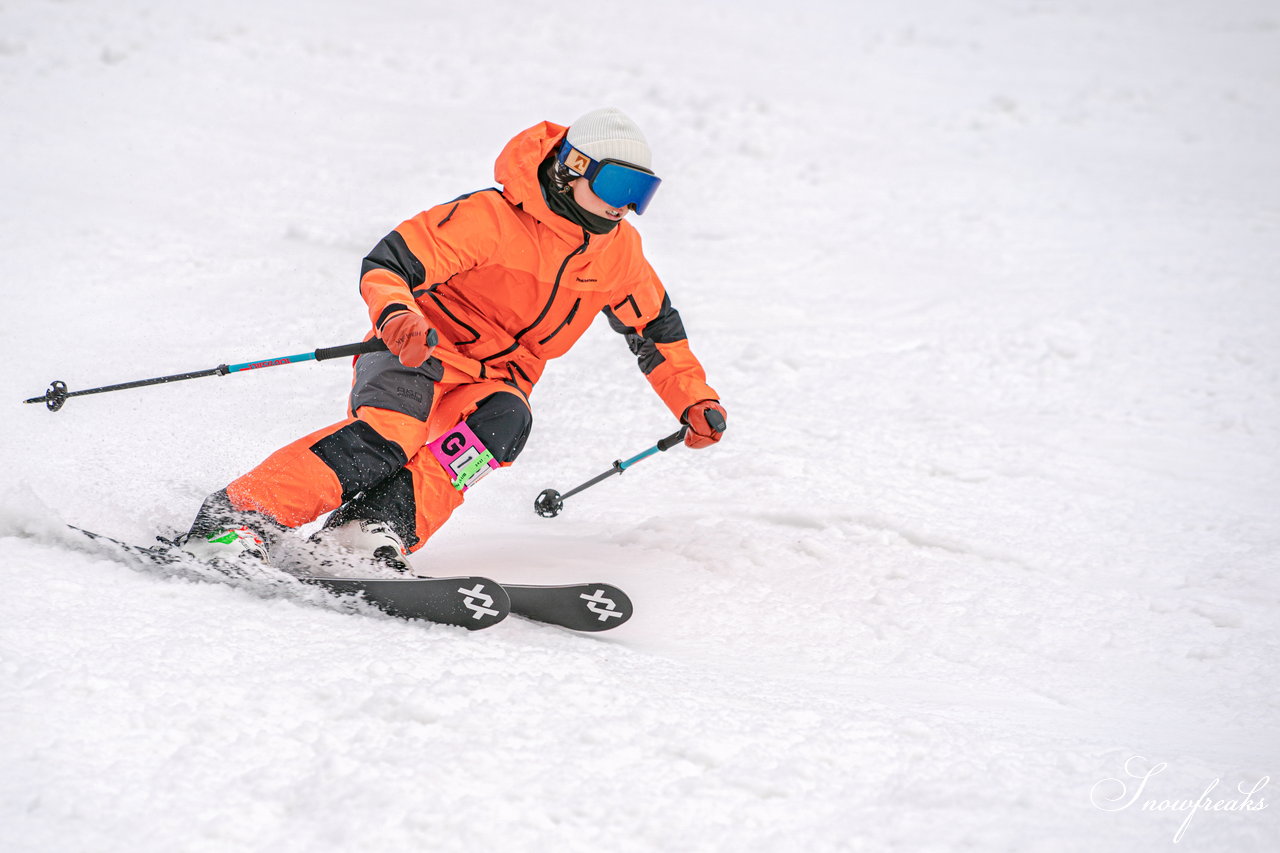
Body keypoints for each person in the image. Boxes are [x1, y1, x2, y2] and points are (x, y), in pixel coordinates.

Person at [177, 107, 727, 569]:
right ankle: (236, 519)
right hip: (422, 350)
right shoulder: (491, 217)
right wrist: (397, 318)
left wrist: (694, 399)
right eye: (617, 184)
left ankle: (365, 534)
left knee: (502, 425)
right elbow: (390, 264)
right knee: (389, 436)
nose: (625, 204)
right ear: (571, 168)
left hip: (498, 380)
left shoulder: (619, 253)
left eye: (642, 192)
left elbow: (655, 331)